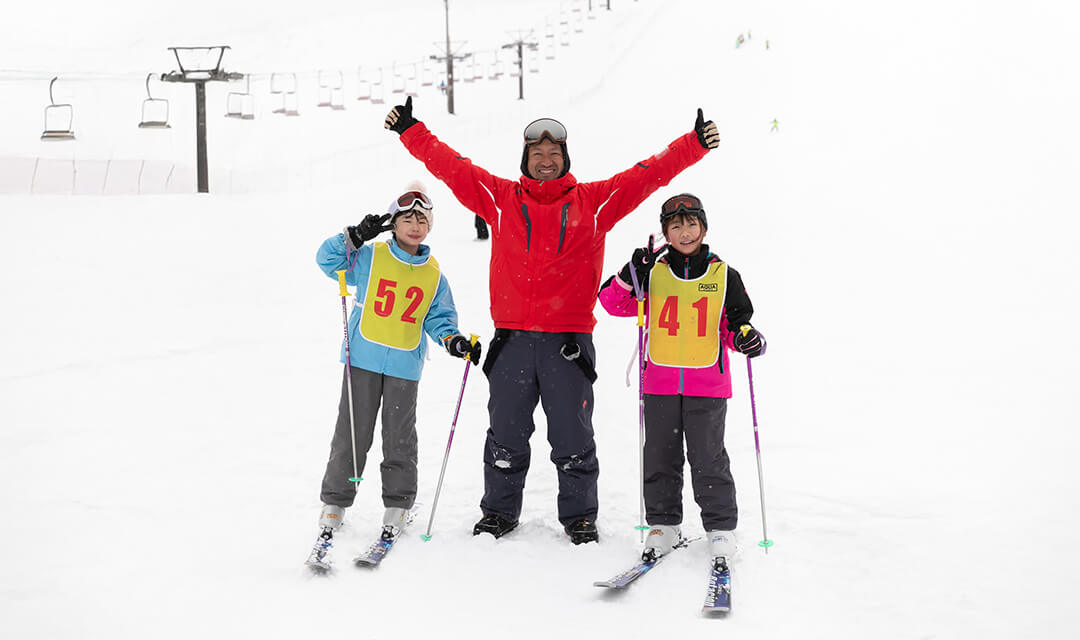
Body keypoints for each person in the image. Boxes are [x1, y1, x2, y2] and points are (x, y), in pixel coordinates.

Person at [382, 96, 719, 545]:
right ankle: (499, 513)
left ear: (565, 160)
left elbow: (647, 175)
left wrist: (693, 145)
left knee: (573, 436)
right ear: (526, 159)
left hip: (568, 345)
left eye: (554, 155)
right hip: (512, 342)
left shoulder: (595, 203)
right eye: (537, 155)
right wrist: (411, 130)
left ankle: (579, 516)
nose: (545, 161)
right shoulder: (501, 199)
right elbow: (452, 167)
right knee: (505, 435)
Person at [307, 186, 482, 567]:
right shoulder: (371, 255)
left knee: (399, 437)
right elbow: (326, 260)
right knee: (352, 433)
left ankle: (398, 503)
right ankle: (336, 500)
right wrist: (354, 236)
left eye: (423, 219)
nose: (415, 225)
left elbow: (440, 318)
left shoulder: (434, 274)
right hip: (364, 358)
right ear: (393, 222)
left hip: (404, 365)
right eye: (407, 218)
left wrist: (453, 342)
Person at [597, 193, 767, 563]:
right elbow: (611, 303)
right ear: (665, 233)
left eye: (692, 224)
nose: (685, 232)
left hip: (707, 382)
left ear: (703, 228)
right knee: (660, 455)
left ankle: (720, 528)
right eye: (676, 226)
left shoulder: (724, 275)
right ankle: (663, 525)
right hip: (659, 381)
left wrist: (748, 338)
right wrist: (631, 272)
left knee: (709, 458)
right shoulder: (652, 271)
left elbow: (737, 326)